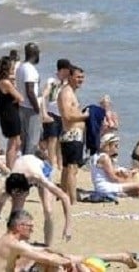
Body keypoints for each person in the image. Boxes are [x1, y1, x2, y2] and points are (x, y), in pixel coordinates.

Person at [0, 210, 139, 272]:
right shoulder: (13, 243)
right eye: (30, 226)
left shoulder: (4, 240)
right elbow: (45, 257)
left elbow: (41, 252)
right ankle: (118, 257)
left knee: (55, 259)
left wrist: (58, 255)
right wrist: (65, 262)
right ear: (20, 226)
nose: (32, 230)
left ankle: (119, 257)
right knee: (53, 263)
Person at [0, 154, 72, 247]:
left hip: (40, 170)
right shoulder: (6, 186)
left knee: (48, 210)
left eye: (21, 194)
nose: (19, 197)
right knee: (16, 213)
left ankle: (47, 245)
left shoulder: (38, 177)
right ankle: (12, 241)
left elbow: (64, 197)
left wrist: (68, 226)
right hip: (22, 173)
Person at [57, 65, 88, 204]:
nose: (80, 80)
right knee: (72, 167)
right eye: (77, 77)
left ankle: (63, 195)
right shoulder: (66, 92)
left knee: (67, 167)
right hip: (71, 134)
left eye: (82, 77)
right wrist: (85, 117)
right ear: (69, 77)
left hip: (74, 134)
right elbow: (67, 116)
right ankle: (72, 200)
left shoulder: (71, 92)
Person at [40, 58, 71, 170]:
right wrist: (44, 114)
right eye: (68, 70)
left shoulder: (67, 82)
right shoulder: (52, 81)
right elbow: (43, 96)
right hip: (52, 113)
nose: (69, 72)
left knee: (60, 140)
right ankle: (51, 163)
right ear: (63, 70)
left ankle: (60, 163)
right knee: (52, 139)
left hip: (62, 114)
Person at [15, 43, 42, 157]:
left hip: (22, 106)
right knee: (33, 141)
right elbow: (30, 91)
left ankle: (23, 164)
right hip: (30, 108)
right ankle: (27, 166)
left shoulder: (20, 67)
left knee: (25, 139)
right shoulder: (30, 69)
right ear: (35, 54)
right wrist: (37, 108)